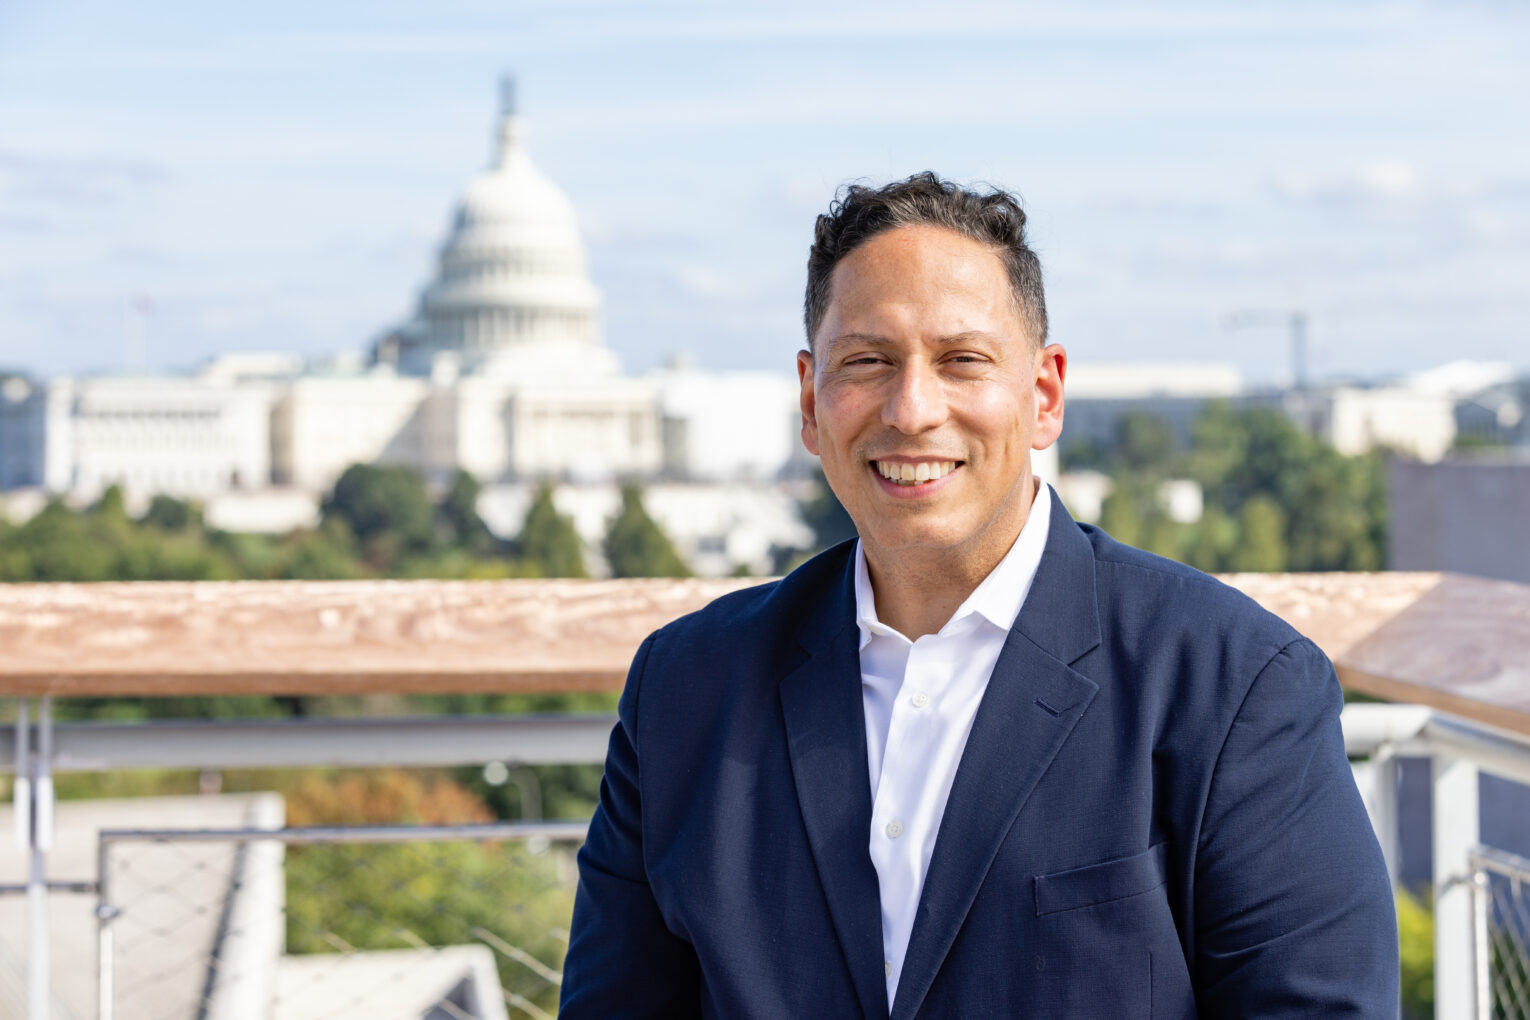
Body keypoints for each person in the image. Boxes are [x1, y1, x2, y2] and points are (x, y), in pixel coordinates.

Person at [560, 172, 1398, 1018]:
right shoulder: (685, 690)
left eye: (962, 361)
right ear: (811, 403)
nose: (913, 409)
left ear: (1043, 395)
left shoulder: (1233, 685)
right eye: (867, 362)